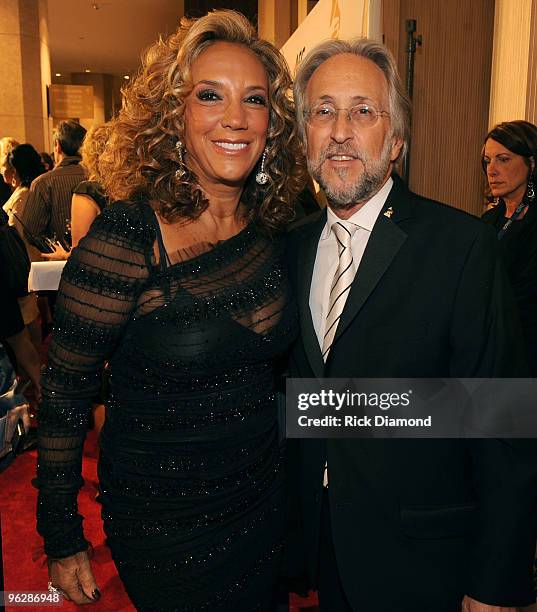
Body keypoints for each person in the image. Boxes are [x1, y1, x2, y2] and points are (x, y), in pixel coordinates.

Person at [36, 10, 303, 610]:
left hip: (264, 507)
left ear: (273, 124)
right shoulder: (127, 237)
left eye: (254, 100)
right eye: (210, 95)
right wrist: (61, 532)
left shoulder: (273, 232)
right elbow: (65, 391)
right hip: (168, 525)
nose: (235, 118)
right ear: (174, 116)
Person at [286, 38, 537, 612]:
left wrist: (495, 579)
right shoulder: (290, 248)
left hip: (427, 558)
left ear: (395, 140)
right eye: (322, 110)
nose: (341, 129)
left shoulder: (461, 246)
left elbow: (503, 418)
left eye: (363, 111)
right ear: (304, 139)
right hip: (325, 549)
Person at [481, 120, 537, 375]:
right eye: (487, 161)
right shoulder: (487, 222)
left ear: (531, 164)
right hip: (490, 350)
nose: (492, 170)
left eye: (503, 159)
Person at [41, 123, 111, 260]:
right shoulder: (131, 191)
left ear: (89, 153)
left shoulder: (88, 191)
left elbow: (80, 254)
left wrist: (64, 255)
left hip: (98, 275)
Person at [21, 120, 86, 249]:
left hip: (58, 262)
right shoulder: (98, 177)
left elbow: (30, 232)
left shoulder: (43, 183)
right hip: (97, 260)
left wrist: (54, 248)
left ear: (57, 145)